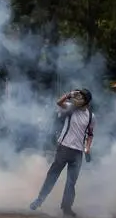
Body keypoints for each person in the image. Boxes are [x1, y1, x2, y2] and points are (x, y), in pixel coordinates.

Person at [30, 89, 95, 218]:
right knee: (52, 175)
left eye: (81, 97)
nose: (78, 98)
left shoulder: (91, 116)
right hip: (63, 148)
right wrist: (69, 94)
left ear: (86, 101)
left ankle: (66, 208)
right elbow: (59, 102)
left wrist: (88, 148)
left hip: (77, 153)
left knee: (71, 182)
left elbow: (90, 134)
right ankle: (39, 200)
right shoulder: (71, 108)